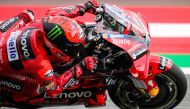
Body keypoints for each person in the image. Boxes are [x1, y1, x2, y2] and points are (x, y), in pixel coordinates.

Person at [0, 0, 105, 106]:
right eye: (73, 47)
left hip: (2, 38)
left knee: (27, 15)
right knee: (35, 88)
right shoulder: (40, 63)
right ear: (56, 49)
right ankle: (14, 99)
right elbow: (54, 89)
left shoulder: (45, 23)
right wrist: (81, 66)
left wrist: (84, 7)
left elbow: (55, 12)